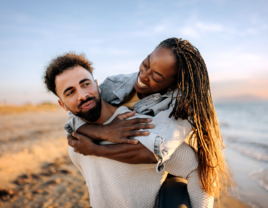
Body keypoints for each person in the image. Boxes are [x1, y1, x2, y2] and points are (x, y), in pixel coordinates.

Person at [43, 51, 214, 207]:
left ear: (97, 85)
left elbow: (198, 168)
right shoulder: (77, 144)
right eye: (70, 92)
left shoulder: (136, 125)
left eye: (85, 84)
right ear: (62, 105)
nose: (82, 95)